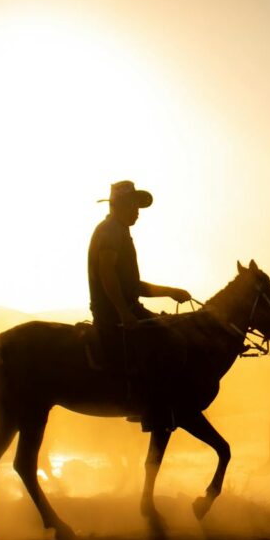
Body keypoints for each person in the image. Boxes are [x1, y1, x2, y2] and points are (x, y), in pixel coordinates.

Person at [88, 180, 191, 430]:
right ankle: (151, 410)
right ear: (120, 205)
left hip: (122, 307)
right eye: (133, 205)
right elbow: (106, 273)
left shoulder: (119, 231)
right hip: (113, 311)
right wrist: (123, 311)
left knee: (169, 333)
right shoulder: (111, 230)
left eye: (137, 206)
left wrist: (170, 292)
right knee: (167, 341)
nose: (137, 211)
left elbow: (132, 285)